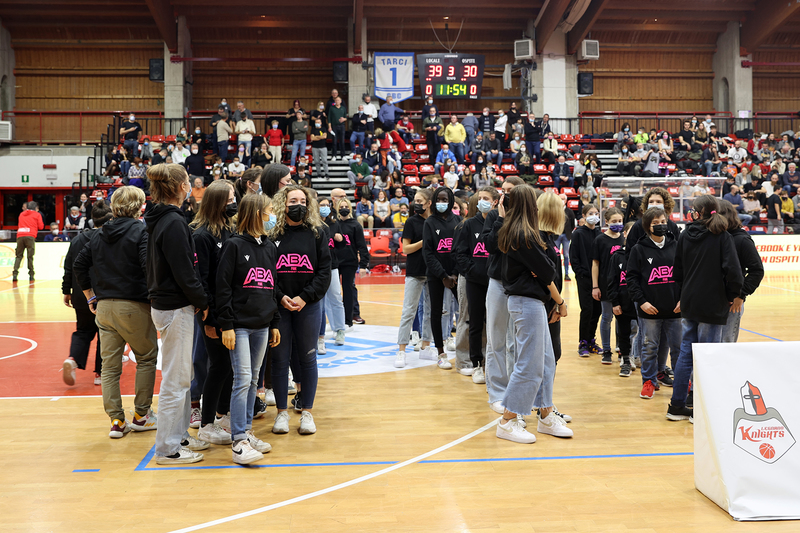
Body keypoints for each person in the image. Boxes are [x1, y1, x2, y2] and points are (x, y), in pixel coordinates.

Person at [73, 186, 159, 439]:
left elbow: (79, 264)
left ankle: (117, 421)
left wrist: (90, 295)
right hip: (134, 305)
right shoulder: (142, 231)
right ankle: (142, 416)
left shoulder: (99, 233)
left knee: (109, 368)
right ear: (139, 206)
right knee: (146, 358)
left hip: (105, 307)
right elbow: (148, 267)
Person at [495, 185, 572, 444]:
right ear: (529, 205)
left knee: (546, 361)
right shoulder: (523, 235)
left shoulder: (518, 231)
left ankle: (546, 413)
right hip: (525, 302)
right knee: (529, 363)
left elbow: (545, 269)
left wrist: (541, 271)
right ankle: (507, 420)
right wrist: (560, 301)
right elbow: (548, 270)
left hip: (531, 302)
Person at [144, 164, 210, 464]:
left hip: (167, 304)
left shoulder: (162, 217)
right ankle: (167, 449)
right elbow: (184, 271)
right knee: (176, 380)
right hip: (174, 306)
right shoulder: (172, 221)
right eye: (188, 182)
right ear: (182, 186)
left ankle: (180, 435)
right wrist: (203, 301)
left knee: (183, 375)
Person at [667, 195, 743, 422]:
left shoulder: (685, 234)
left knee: (686, 355)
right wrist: (730, 296)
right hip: (712, 304)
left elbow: (677, 272)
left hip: (690, 302)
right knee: (708, 357)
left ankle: (677, 406)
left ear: (699, 212)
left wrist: (684, 293)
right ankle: (701, 409)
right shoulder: (723, 236)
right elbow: (734, 273)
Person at [216, 194, 280, 464]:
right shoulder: (233, 245)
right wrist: (227, 325)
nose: (272, 215)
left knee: (254, 380)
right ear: (256, 213)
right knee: (242, 380)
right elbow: (222, 288)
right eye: (269, 211)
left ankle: (247, 431)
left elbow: (273, 287)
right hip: (239, 325)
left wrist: (274, 322)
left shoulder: (269, 247)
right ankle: (238, 441)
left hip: (262, 325)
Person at [267, 185, 331, 435]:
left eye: (303, 201)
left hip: (308, 306)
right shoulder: (272, 234)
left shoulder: (318, 233)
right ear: (283, 205)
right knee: (280, 359)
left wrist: (304, 297)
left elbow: (324, 272)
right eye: (293, 201)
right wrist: (281, 297)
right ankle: (281, 413)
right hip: (279, 306)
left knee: (308, 358)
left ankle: (307, 412)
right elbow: (267, 273)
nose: (299, 205)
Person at [190, 180, 238, 447]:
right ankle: (206, 424)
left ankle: (222, 414)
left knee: (227, 365)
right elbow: (202, 280)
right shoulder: (202, 236)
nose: (233, 203)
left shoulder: (230, 230)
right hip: (211, 312)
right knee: (218, 365)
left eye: (234, 198)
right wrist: (208, 319)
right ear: (216, 202)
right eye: (229, 200)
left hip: (229, 309)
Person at [627, 207, 682, 399]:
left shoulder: (677, 246)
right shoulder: (638, 249)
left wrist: (683, 298)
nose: (661, 225)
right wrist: (641, 302)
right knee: (649, 347)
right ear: (647, 226)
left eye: (663, 222)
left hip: (675, 309)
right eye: (655, 223)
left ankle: (682, 382)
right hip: (649, 310)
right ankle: (649, 381)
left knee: (678, 348)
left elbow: (686, 275)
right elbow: (631, 279)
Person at [61, 201, 112, 387]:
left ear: (92, 219)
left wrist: (66, 291)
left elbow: (69, 267)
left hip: (81, 294)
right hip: (103, 294)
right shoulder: (109, 239)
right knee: (105, 334)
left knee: (83, 331)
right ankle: (100, 373)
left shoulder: (77, 240)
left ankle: (73, 358)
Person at [454, 187, 499, 383]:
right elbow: (460, 253)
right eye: (480, 198)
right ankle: (477, 364)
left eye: (486, 198)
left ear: (495, 201)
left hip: (496, 282)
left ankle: (493, 363)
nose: (482, 201)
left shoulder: (500, 223)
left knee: (495, 324)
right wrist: (472, 271)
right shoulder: (470, 224)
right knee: (475, 323)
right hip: (475, 281)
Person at [422, 186, 462, 370]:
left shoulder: (459, 221)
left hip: (456, 275)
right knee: (436, 312)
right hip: (436, 275)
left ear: (450, 201)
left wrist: (454, 273)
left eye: (445, 200)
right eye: (438, 199)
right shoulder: (429, 222)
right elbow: (428, 253)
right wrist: (443, 275)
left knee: (464, 312)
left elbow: (462, 250)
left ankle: (466, 350)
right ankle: (441, 353)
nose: (441, 203)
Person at [395, 189, 434, 366]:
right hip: (415, 271)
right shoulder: (411, 221)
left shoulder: (435, 221)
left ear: (429, 203)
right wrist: (424, 242)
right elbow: (406, 249)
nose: (416, 204)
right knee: (408, 311)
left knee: (430, 312)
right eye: (415, 201)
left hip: (432, 272)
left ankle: (426, 347)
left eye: (419, 201)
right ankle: (401, 350)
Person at [716, 200, 764, 344]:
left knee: (726, 342)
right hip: (710, 300)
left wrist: (740, 295)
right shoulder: (713, 238)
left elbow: (757, 271)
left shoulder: (742, 240)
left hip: (731, 303)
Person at [591, 207, 625, 363]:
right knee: (606, 317)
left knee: (622, 318)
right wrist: (595, 286)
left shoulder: (624, 238)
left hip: (622, 285)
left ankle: (621, 348)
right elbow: (595, 264)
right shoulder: (600, 240)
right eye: (614, 221)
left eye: (620, 221)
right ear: (607, 222)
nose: (618, 224)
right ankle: (606, 350)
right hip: (606, 284)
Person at [332, 197, 370, 328]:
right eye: (341, 207)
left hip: (349, 262)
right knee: (334, 292)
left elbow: (362, 246)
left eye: (346, 207)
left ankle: (348, 320)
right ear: (337, 209)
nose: (344, 209)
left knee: (348, 290)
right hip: (335, 263)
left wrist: (363, 265)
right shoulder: (334, 224)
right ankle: (336, 320)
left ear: (350, 208)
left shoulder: (355, 225)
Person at [606, 222, 637, 377]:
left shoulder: (642, 254)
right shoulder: (617, 256)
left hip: (641, 303)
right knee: (623, 333)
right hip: (623, 302)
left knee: (645, 334)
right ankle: (625, 361)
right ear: (624, 234)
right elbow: (611, 281)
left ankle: (640, 358)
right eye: (631, 231)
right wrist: (615, 302)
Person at [317, 197, 347, 352]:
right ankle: (318, 335)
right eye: (322, 205)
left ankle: (340, 329)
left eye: (327, 205)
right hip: (317, 267)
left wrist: (340, 239)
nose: (325, 207)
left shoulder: (334, 223)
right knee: (319, 302)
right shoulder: (314, 224)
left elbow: (342, 243)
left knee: (336, 297)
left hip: (332, 265)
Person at [572, 203, 602, 356]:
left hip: (599, 279)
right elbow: (574, 257)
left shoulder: (599, 233)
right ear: (583, 216)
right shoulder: (578, 233)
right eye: (590, 213)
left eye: (596, 213)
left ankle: (591, 340)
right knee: (587, 309)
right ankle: (583, 342)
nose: (594, 216)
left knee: (597, 310)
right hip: (584, 278)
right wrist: (580, 272)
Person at [13, 201, 43, 282]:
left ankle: (15, 274)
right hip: (30, 235)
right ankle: (31, 275)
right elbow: (41, 226)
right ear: (36, 208)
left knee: (18, 256)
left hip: (20, 235)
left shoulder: (21, 214)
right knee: (30, 256)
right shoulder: (37, 214)